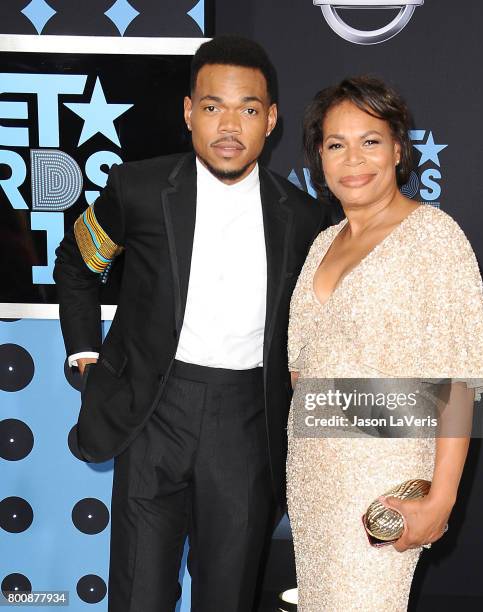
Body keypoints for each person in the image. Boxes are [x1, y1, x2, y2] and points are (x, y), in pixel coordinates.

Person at [53, 35, 329, 612]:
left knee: (226, 597)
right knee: (138, 594)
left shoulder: (304, 217)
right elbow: (78, 264)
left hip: (247, 423)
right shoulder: (141, 190)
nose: (229, 125)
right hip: (152, 415)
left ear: (271, 119)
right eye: (212, 107)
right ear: (188, 112)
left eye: (248, 109)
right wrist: (84, 352)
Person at [286, 75, 483, 611]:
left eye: (371, 141)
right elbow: (300, 372)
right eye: (337, 144)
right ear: (320, 157)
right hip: (313, 479)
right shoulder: (320, 244)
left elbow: (458, 379)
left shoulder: (435, 237)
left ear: (399, 149)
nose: (353, 159)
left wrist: (441, 498)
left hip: (384, 481)